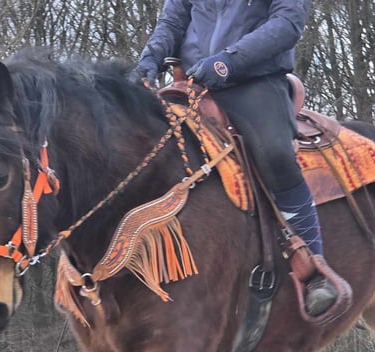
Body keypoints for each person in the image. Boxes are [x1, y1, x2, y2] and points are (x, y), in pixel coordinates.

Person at [131, 0, 350, 318]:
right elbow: (173, 20)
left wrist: (226, 63)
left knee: (276, 154)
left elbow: (287, 23)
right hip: (192, 83)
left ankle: (313, 267)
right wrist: (148, 60)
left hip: (254, 81)